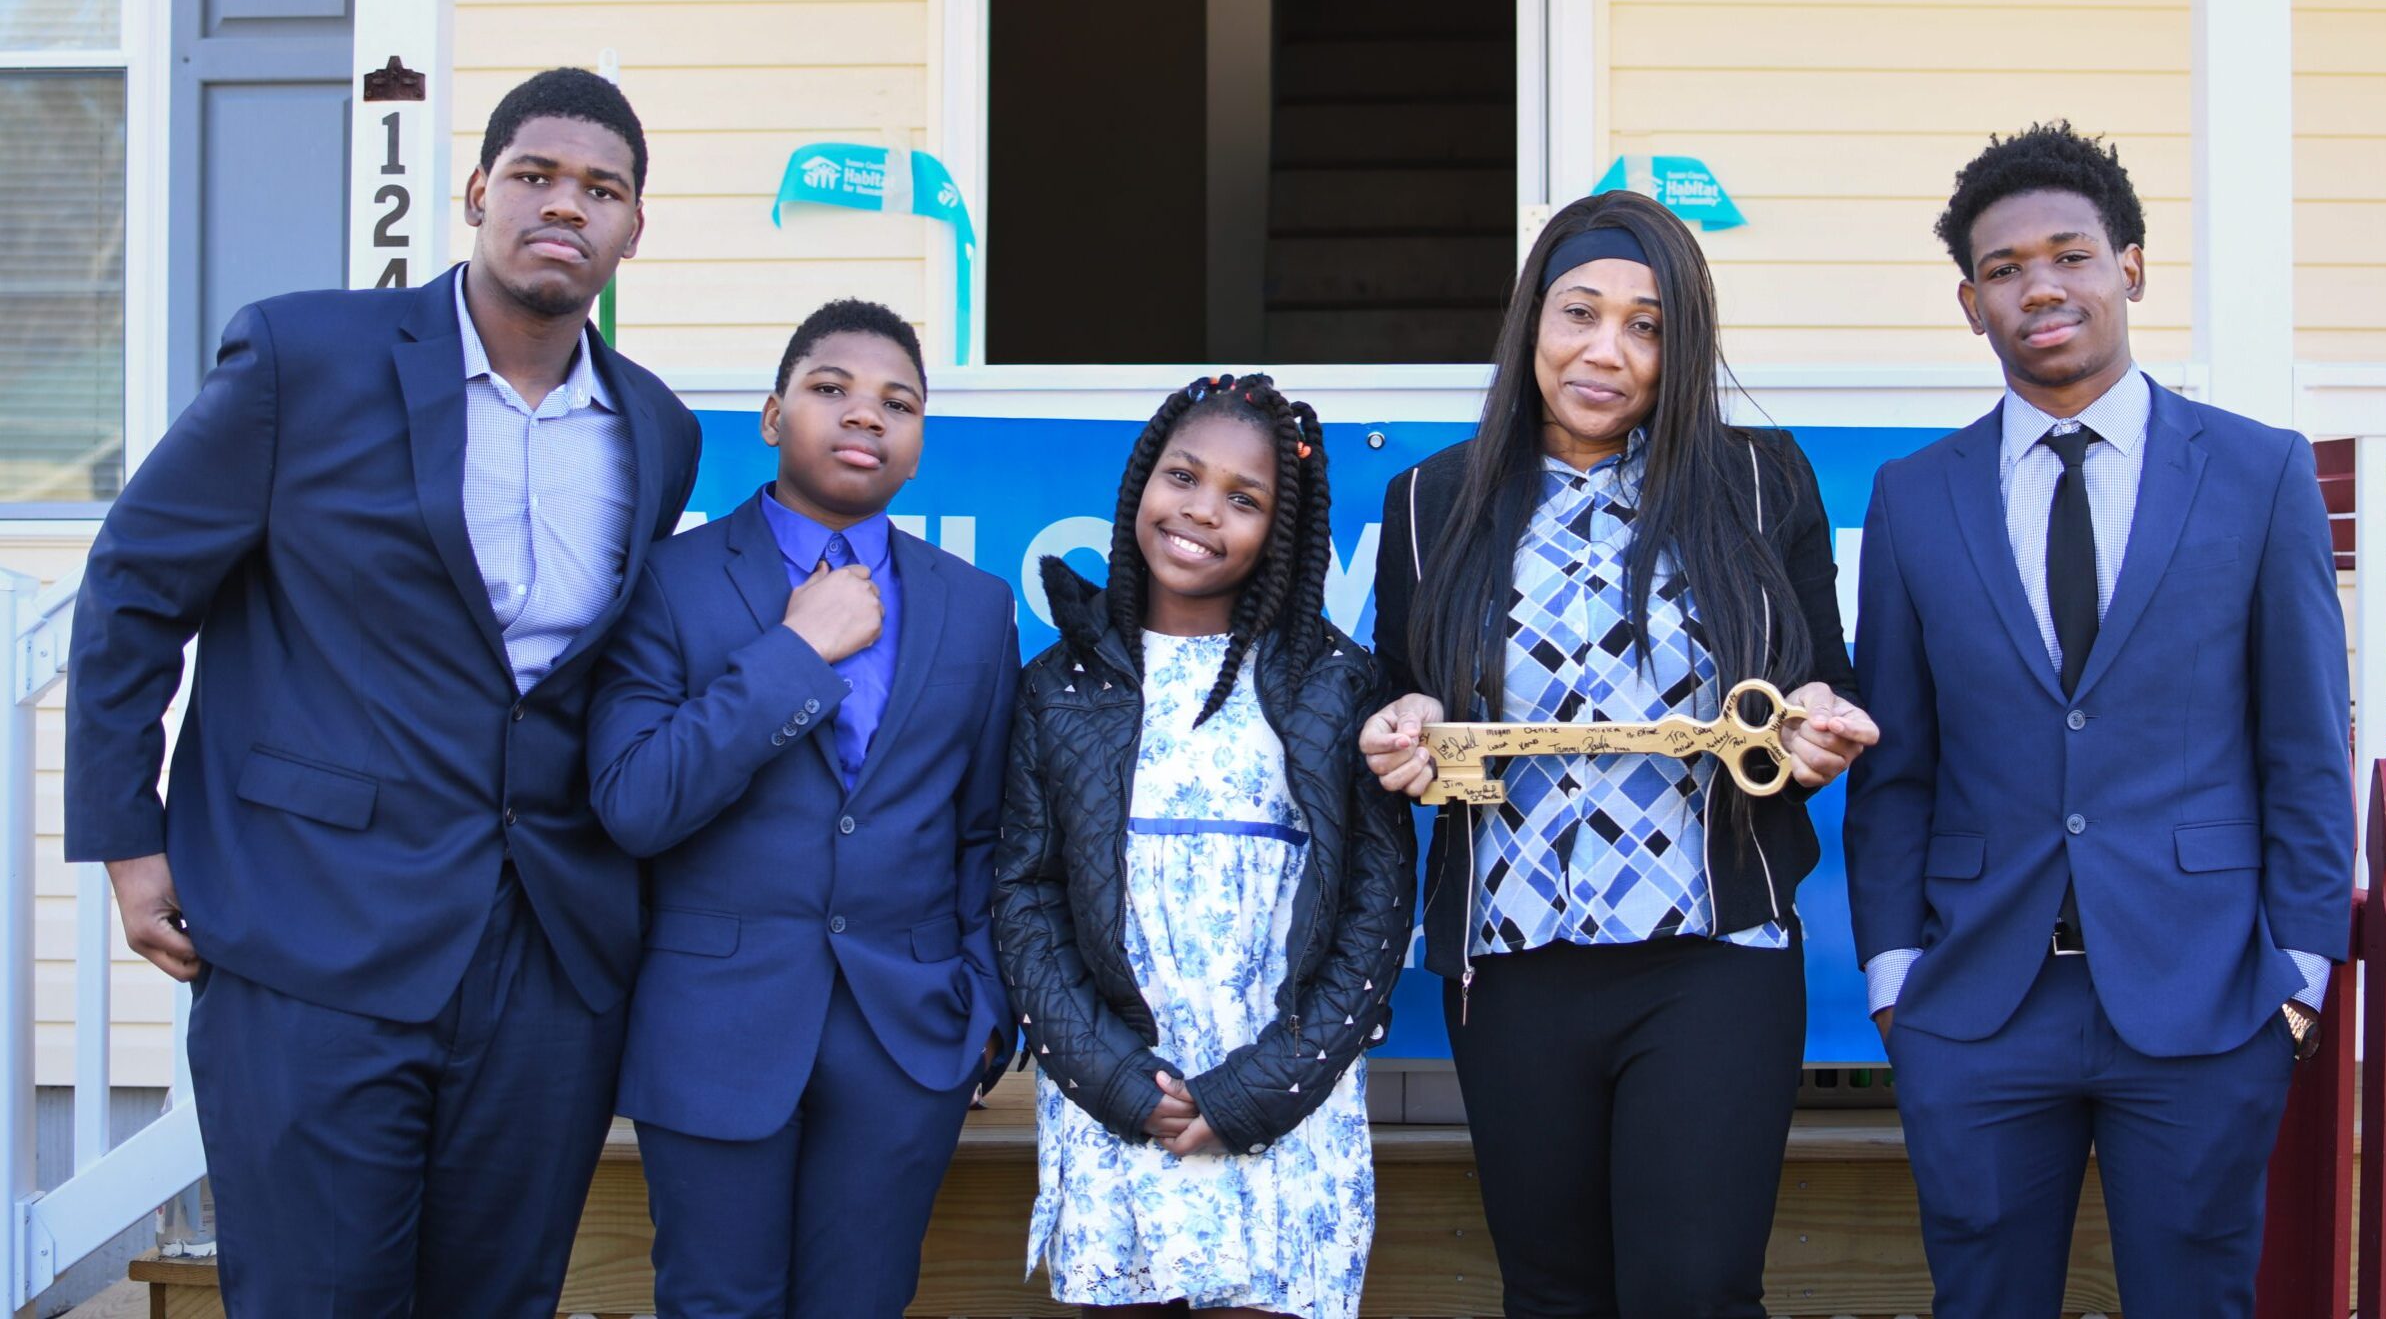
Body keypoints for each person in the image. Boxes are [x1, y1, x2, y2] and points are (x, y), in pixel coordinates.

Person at [64, 68, 700, 1316]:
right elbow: (137, 585)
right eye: (534, 175)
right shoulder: (306, 356)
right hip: (313, 931)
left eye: (602, 189)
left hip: (544, 960)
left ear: (633, 230)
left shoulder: (657, 429)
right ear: (477, 192)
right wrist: (128, 843)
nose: (565, 205)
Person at [1843, 122, 2355, 1319]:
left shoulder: (2258, 473)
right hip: (1977, 1006)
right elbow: (1899, 764)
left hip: (2210, 993)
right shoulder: (1915, 500)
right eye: (2006, 268)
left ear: (2130, 264)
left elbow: (2304, 746)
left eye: (2069, 254)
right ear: (1972, 305)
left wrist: (2302, 972)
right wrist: (1893, 978)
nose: (2042, 286)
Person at [1359, 189, 1879, 1319]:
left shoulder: (1758, 481)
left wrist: (1818, 729)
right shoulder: (1427, 501)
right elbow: (1399, 692)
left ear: (1681, 345)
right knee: (1552, 1295)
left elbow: (1819, 679)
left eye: (1647, 326)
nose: (1608, 351)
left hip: (1712, 956)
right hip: (1510, 967)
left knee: (1692, 1291)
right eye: (1579, 313)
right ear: (1530, 325)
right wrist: (1397, 733)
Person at [587, 298, 1020, 1319]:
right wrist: (793, 654)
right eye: (832, 389)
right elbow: (636, 802)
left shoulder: (975, 604)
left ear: (919, 443)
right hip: (715, 1030)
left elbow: (989, 830)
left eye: (897, 403)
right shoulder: (668, 580)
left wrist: (986, 1015)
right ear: (774, 416)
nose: (865, 415)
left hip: (905, 1036)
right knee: (715, 1304)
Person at [995, 374, 1414, 1319]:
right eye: (1183, 476)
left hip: (1280, 1111)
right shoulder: (1060, 687)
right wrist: (1113, 1080)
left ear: (1284, 529)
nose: (1201, 512)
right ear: (1142, 480)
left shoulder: (1335, 687)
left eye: (1244, 498)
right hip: (1119, 1106)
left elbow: (1376, 912)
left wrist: (1258, 1093)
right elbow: (1025, 895)